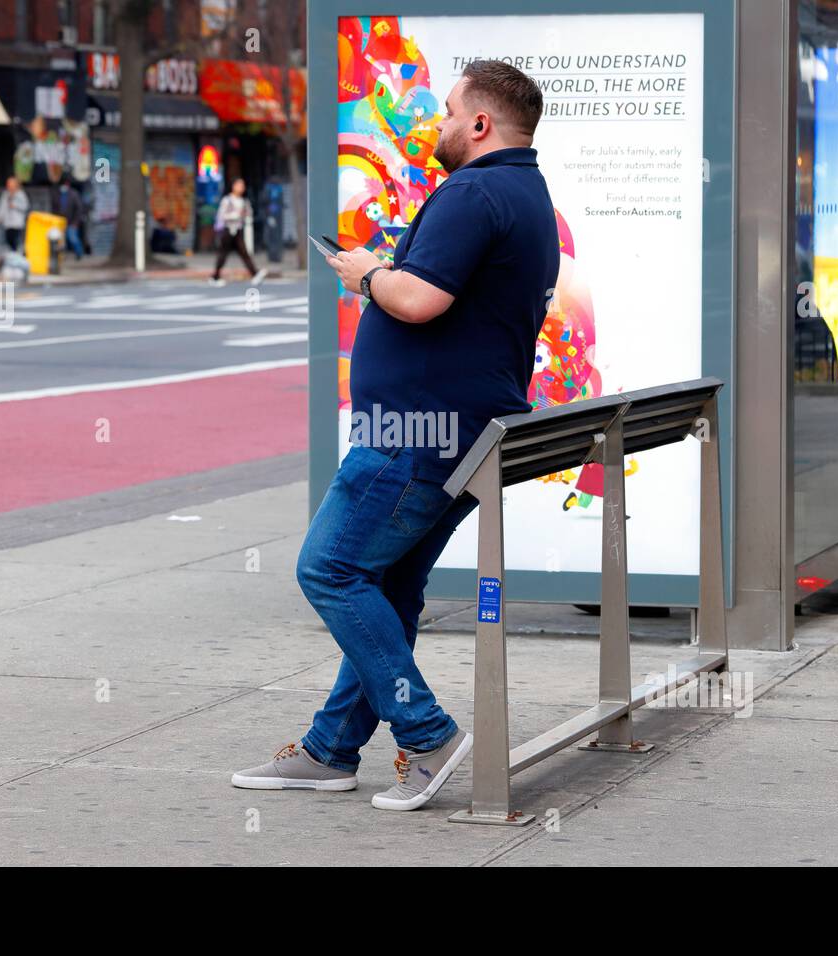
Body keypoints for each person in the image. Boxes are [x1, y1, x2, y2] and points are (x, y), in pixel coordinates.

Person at [232, 60, 560, 811]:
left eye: (447, 111)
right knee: (388, 588)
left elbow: (418, 299)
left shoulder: (474, 191)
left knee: (330, 570)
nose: (438, 123)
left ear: (480, 123)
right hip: (462, 434)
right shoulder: (527, 192)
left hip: (413, 435)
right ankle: (331, 750)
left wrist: (364, 273)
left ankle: (429, 734)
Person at [210, 177, 267, 286]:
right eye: (239, 185)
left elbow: (249, 214)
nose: (241, 188)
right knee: (223, 254)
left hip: (238, 230)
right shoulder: (227, 200)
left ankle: (255, 274)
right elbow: (221, 215)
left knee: (244, 253)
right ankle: (215, 277)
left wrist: (245, 213)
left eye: (243, 186)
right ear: (233, 186)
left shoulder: (244, 201)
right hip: (228, 230)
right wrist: (236, 215)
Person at [0, 175, 29, 252]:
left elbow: (25, 206)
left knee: (17, 242)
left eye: (11, 184)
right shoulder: (5, 195)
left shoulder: (20, 195)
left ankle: (17, 255)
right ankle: (12, 255)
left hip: (17, 224)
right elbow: (2, 207)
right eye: (8, 184)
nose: (10, 186)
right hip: (7, 223)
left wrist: (15, 206)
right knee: (8, 241)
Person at [57, 179, 85, 259]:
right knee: (61, 241)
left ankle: (79, 254)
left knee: (73, 239)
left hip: (72, 222)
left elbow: (79, 209)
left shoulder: (73, 194)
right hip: (60, 222)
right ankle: (62, 256)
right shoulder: (58, 194)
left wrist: (75, 222)